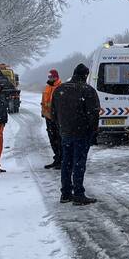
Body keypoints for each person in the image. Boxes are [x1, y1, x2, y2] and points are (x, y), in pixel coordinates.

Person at [51, 63, 100, 205]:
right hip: (82, 133)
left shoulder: (60, 89)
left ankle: (65, 193)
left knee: (66, 162)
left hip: (65, 132)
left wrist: (60, 126)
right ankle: (78, 194)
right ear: (85, 75)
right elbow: (94, 113)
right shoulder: (87, 90)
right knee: (79, 163)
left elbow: (53, 112)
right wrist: (93, 131)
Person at [41, 69, 62, 168]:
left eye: (52, 76)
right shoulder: (47, 87)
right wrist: (43, 113)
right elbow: (44, 102)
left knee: (59, 139)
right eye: (49, 76)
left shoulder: (60, 87)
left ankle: (61, 159)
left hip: (57, 118)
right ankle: (57, 158)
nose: (50, 78)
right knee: (52, 139)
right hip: (48, 117)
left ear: (56, 77)